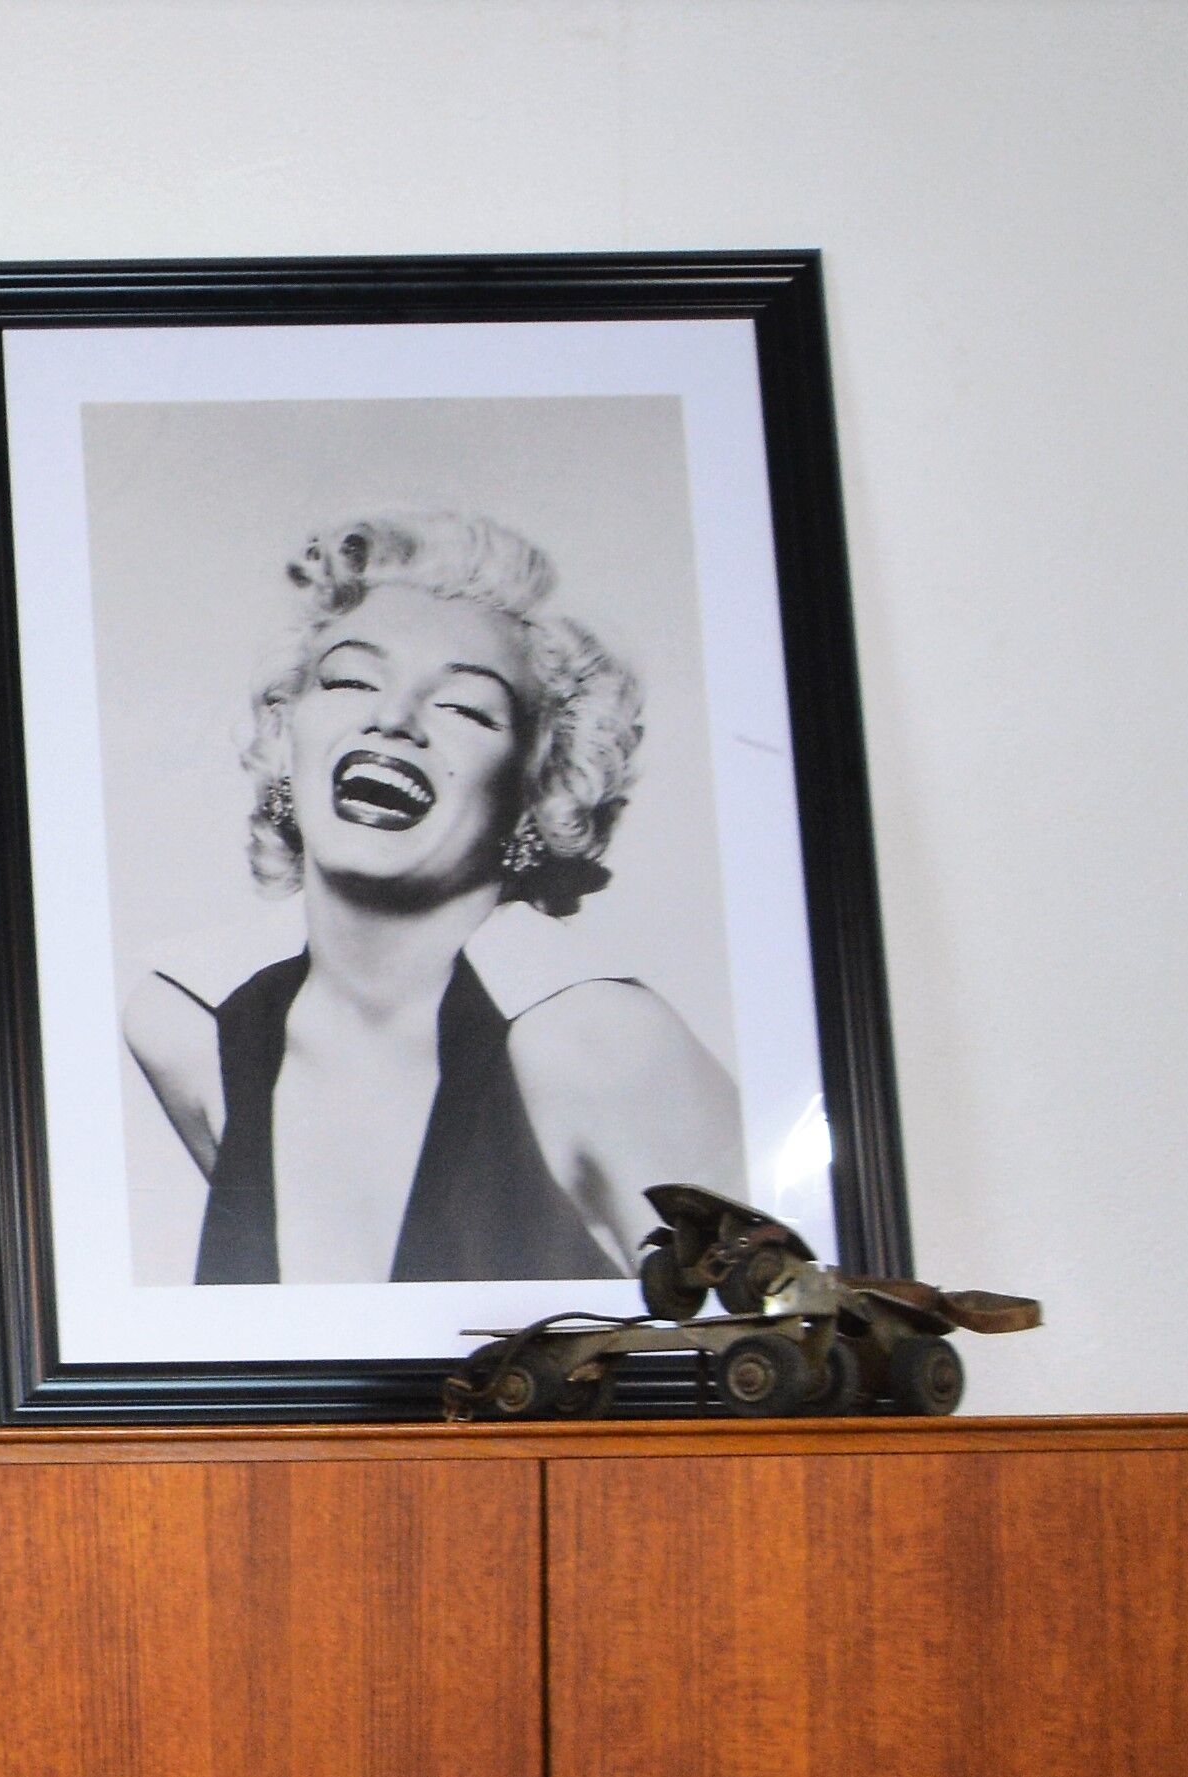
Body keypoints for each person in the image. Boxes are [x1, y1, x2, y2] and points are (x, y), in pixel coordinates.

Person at [121, 510, 739, 1285]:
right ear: (284, 736)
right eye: (350, 679)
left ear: (538, 790)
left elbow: (797, 1348)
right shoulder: (185, 1036)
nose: (392, 719)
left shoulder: (601, 1048)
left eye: (465, 707)